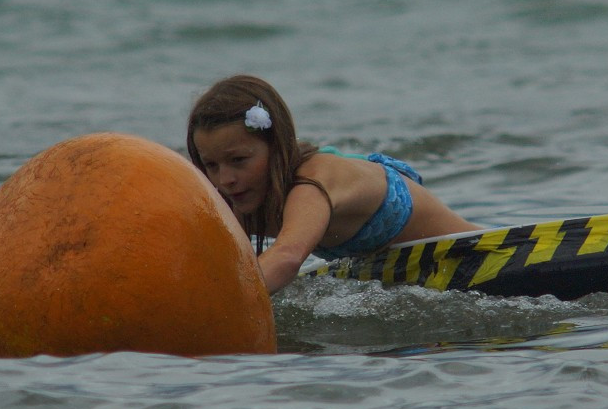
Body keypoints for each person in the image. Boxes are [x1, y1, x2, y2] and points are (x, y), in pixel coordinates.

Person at [186, 74, 479, 292]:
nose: (225, 179)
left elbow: (287, 257)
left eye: (238, 160)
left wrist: (213, 309)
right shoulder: (246, 198)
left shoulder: (309, 186)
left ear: (277, 148)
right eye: (211, 165)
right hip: (403, 269)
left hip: (475, 251)